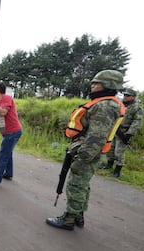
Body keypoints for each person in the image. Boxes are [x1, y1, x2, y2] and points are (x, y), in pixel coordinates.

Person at [46, 70, 125, 230]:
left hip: (87, 154)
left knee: (76, 185)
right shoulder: (104, 103)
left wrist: (82, 158)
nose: (93, 85)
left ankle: (69, 219)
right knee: (82, 184)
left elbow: (96, 138)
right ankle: (78, 215)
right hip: (87, 152)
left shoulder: (105, 106)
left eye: (97, 83)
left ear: (108, 85)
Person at [103, 88, 143, 177]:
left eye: (128, 95)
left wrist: (128, 134)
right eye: (124, 95)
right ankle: (109, 165)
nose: (125, 97)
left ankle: (117, 170)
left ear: (133, 97)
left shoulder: (137, 108)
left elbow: (137, 122)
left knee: (119, 151)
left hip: (125, 132)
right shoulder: (120, 104)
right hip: (115, 129)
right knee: (110, 148)